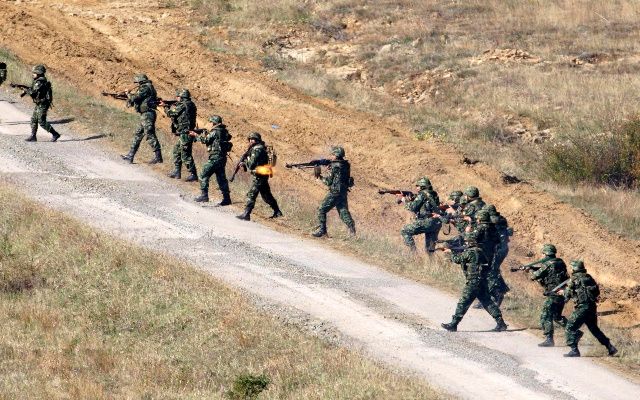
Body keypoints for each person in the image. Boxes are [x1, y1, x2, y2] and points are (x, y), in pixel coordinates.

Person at [441, 234, 508, 332]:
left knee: (463, 302)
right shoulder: (481, 252)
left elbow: (457, 260)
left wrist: (450, 252)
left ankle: (454, 324)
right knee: (487, 302)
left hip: (473, 282)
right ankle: (501, 323)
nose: (466, 244)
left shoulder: (471, 252)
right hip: (481, 281)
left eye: (467, 242)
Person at [562, 260, 617, 357]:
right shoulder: (589, 277)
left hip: (582, 308)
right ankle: (610, 347)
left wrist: (562, 292)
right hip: (591, 307)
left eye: (572, 267)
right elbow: (596, 292)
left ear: (575, 268)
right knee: (594, 329)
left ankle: (574, 350)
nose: (571, 269)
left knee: (569, 327)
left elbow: (566, 297)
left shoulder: (573, 280)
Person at [529, 244, 570, 347]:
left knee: (546, 315)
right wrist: (534, 268)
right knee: (557, 317)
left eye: (543, 253)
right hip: (562, 293)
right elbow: (551, 273)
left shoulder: (547, 264)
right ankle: (575, 332)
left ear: (546, 253)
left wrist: (529, 269)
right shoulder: (560, 262)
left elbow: (534, 276)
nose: (542, 256)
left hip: (553, 294)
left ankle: (549, 339)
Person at [236, 132, 282, 221]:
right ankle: (277, 211)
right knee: (266, 195)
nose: (250, 141)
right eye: (250, 139)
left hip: (259, 175)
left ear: (256, 140)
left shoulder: (257, 149)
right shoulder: (259, 148)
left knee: (251, 194)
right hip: (262, 174)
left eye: (252, 139)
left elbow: (251, 165)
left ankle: (246, 214)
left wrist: (244, 162)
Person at [312, 146, 356, 237]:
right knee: (343, 211)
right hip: (343, 192)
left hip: (335, 192)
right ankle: (352, 232)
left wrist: (320, 176)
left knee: (321, 209)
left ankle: (322, 230)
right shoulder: (346, 164)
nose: (331, 156)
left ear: (336, 155)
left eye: (332, 154)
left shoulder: (334, 166)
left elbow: (328, 182)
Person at [190, 115, 232, 205]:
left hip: (215, 157)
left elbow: (205, 140)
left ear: (214, 123)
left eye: (212, 123)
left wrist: (196, 135)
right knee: (221, 179)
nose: (211, 124)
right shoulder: (224, 132)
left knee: (203, 174)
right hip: (222, 158)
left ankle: (204, 196)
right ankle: (227, 199)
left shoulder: (215, 131)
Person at [121, 73, 162, 164]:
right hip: (145, 114)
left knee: (150, 134)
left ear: (141, 81)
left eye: (138, 82)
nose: (137, 84)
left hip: (147, 114)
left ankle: (158, 156)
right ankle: (130, 156)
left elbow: (136, 97)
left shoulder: (146, 87)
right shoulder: (147, 87)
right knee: (138, 134)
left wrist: (128, 94)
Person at [399, 177, 441, 252]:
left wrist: (404, 200)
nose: (416, 188)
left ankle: (414, 255)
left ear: (422, 186)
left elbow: (412, 207)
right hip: (436, 223)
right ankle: (432, 263)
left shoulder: (422, 194)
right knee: (429, 249)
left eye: (418, 186)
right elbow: (425, 204)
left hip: (427, 221)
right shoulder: (434, 194)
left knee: (405, 231)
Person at [164, 89, 197, 181]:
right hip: (184, 133)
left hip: (186, 133)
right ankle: (177, 172)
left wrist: (165, 107)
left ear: (182, 97)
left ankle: (193, 174)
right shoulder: (190, 104)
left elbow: (172, 113)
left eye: (178, 96)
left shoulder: (183, 105)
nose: (176, 98)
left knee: (186, 154)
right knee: (177, 151)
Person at [23, 64, 60, 142]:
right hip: (39, 103)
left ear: (39, 73)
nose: (33, 74)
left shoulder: (40, 82)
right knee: (34, 119)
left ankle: (55, 134)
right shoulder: (39, 81)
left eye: (34, 73)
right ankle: (33, 136)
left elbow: (33, 93)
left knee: (42, 121)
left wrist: (26, 90)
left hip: (43, 104)